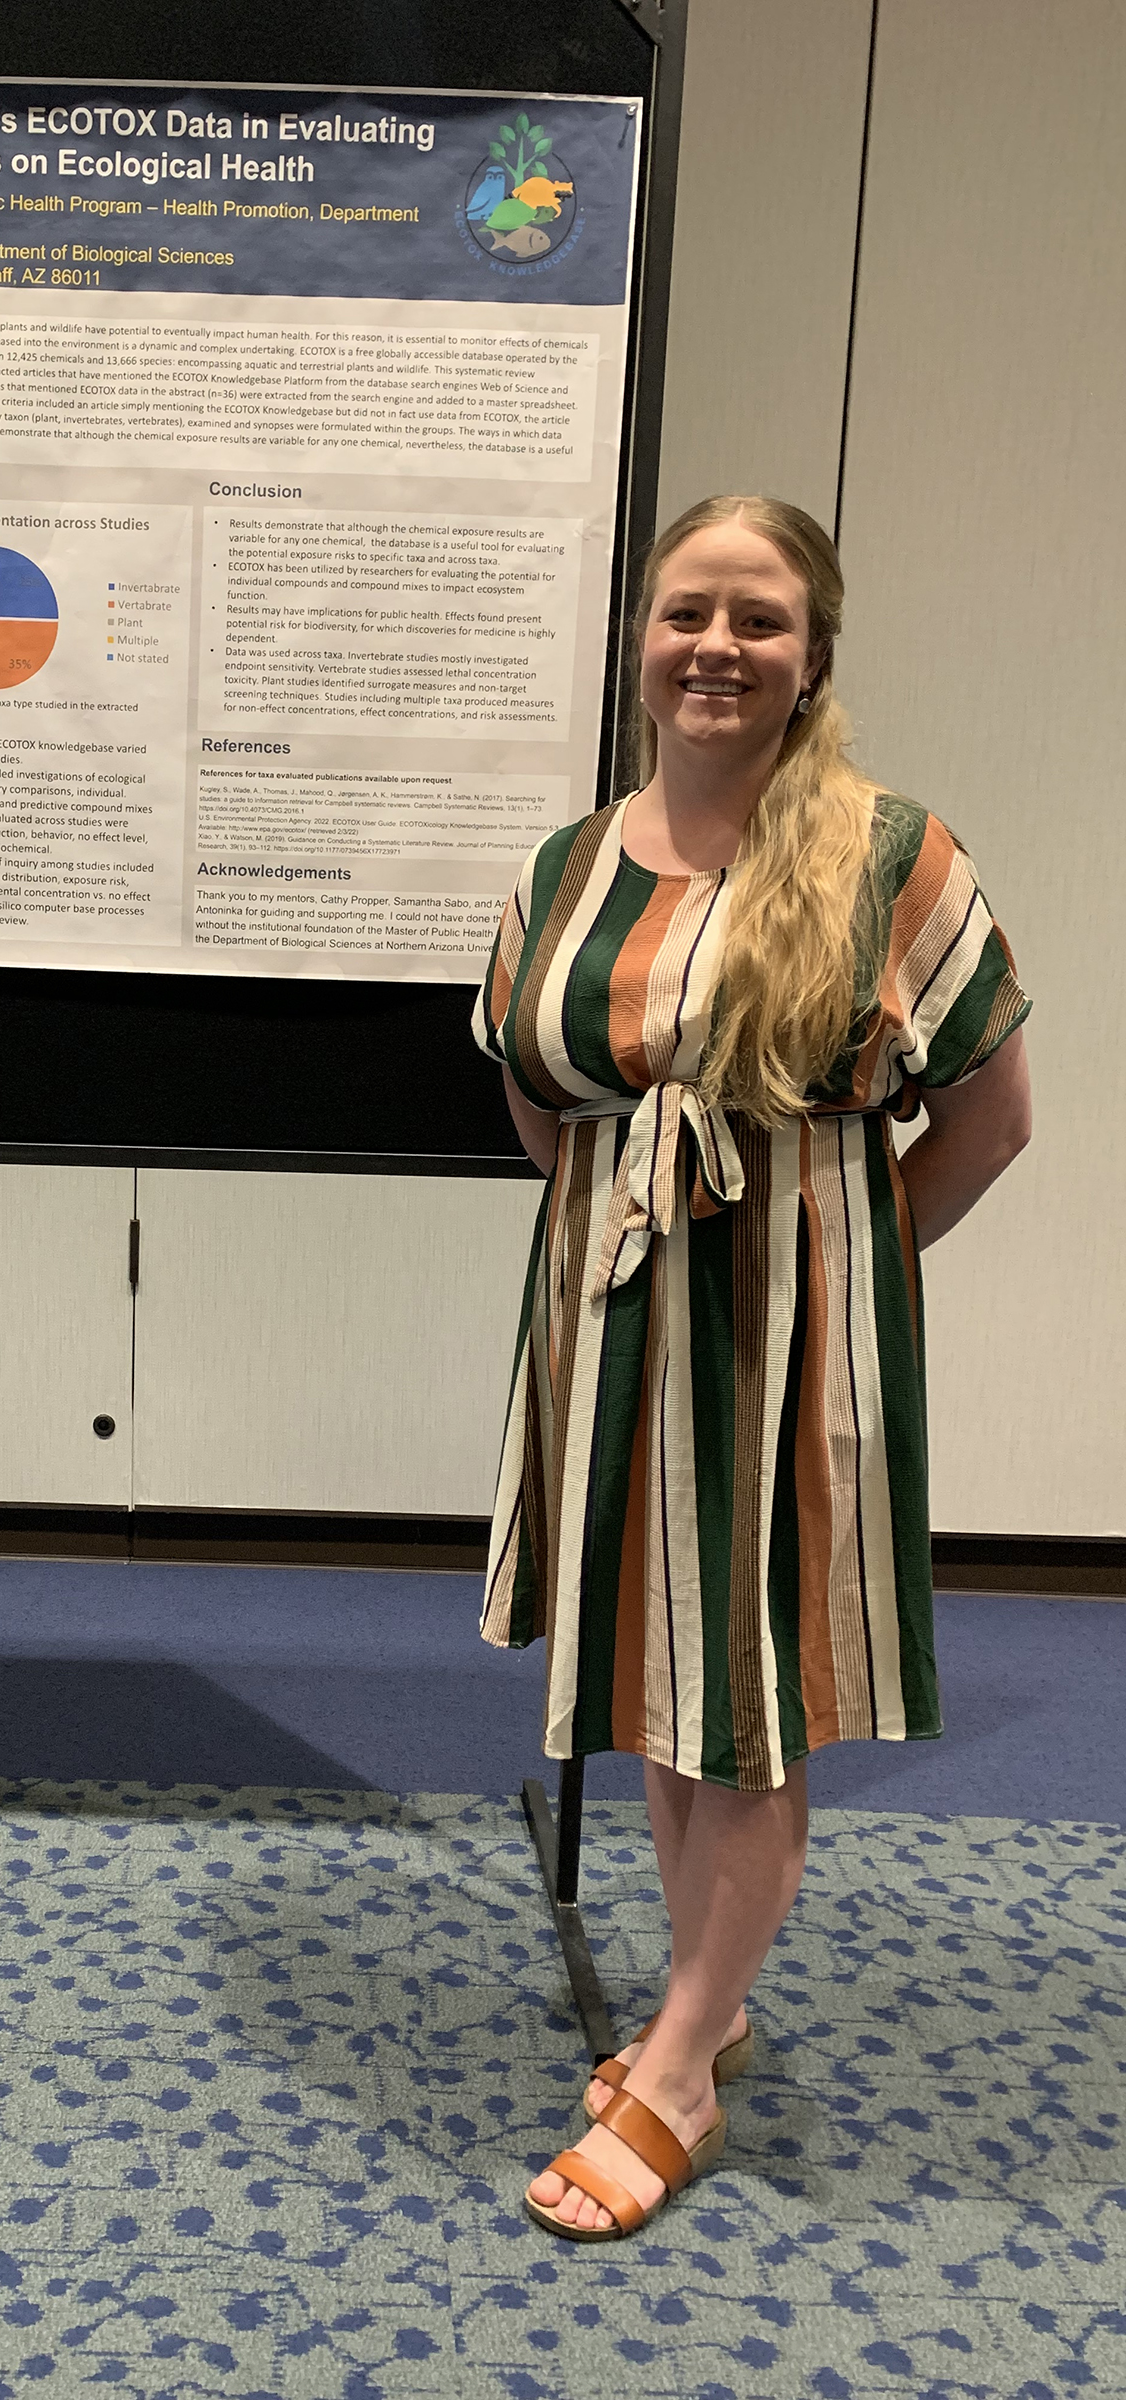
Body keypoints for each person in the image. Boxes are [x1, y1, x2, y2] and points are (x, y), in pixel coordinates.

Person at [472, 494, 1032, 2242]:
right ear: (641, 636)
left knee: (752, 1706)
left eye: (762, 620)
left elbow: (992, 1121)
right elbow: (531, 1081)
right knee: (660, 1675)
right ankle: (696, 2005)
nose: (719, 646)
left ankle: (688, 2066)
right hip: (613, 1326)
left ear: (813, 657)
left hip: (791, 1346)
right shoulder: (569, 864)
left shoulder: (892, 856)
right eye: (689, 612)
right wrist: (638, 1231)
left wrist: (830, 1278)